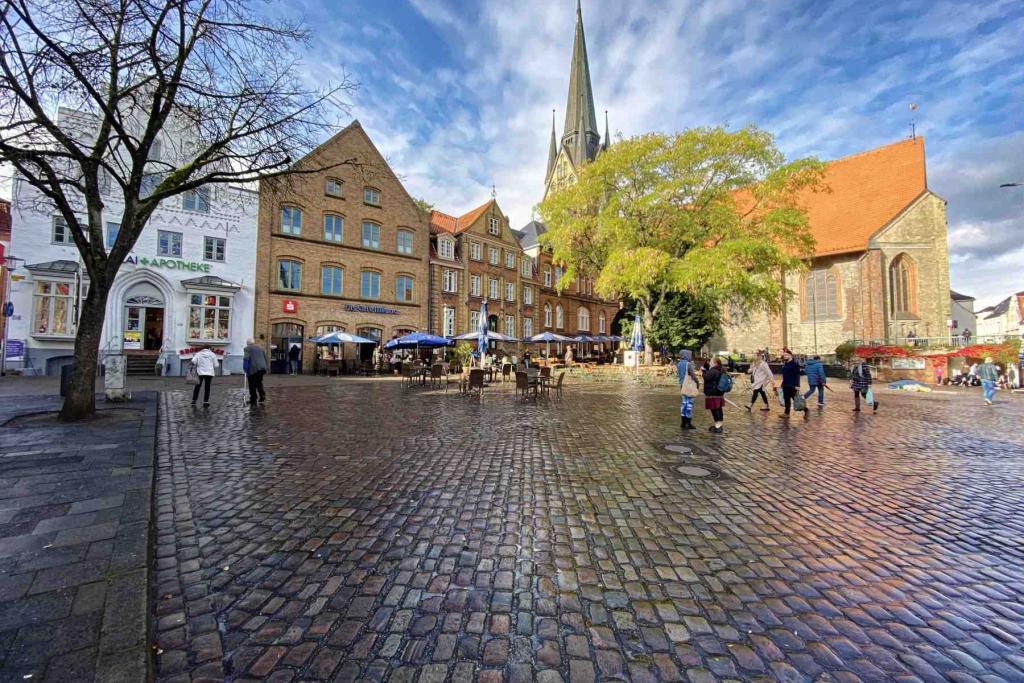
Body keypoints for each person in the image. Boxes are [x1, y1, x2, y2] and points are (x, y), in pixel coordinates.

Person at [780, 349, 808, 417]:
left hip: (792, 385)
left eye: (786, 355)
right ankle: (786, 413)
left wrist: (797, 385)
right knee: (786, 399)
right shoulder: (785, 364)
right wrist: (782, 384)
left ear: (790, 355)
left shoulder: (795, 364)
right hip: (785, 385)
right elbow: (785, 376)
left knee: (796, 400)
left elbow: (797, 375)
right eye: (784, 355)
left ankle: (806, 410)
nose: (785, 356)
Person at [677, 350, 699, 430]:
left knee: (684, 403)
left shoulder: (679, 364)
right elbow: (693, 375)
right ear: (687, 355)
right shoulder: (688, 364)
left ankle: (683, 422)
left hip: (682, 385)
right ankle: (688, 423)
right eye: (690, 355)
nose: (691, 356)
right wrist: (697, 383)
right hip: (689, 385)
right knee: (689, 403)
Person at [702, 356, 726, 433]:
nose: (710, 363)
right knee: (718, 408)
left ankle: (718, 426)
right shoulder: (721, 369)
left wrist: (703, 372)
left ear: (715, 363)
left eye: (711, 361)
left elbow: (707, 378)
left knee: (714, 409)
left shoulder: (714, 370)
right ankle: (719, 424)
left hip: (713, 392)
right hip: (719, 392)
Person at [243, 338, 268, 405]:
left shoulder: (247, 349)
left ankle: (253, 399)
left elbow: (246, 359)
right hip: (262, 368)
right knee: (258, 382)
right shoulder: (261, 348)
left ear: (248, 343)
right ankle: (262, 395)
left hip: (253, 368)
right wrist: (266, 367)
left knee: (252, 384)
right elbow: (265, 357)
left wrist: (245, 368)